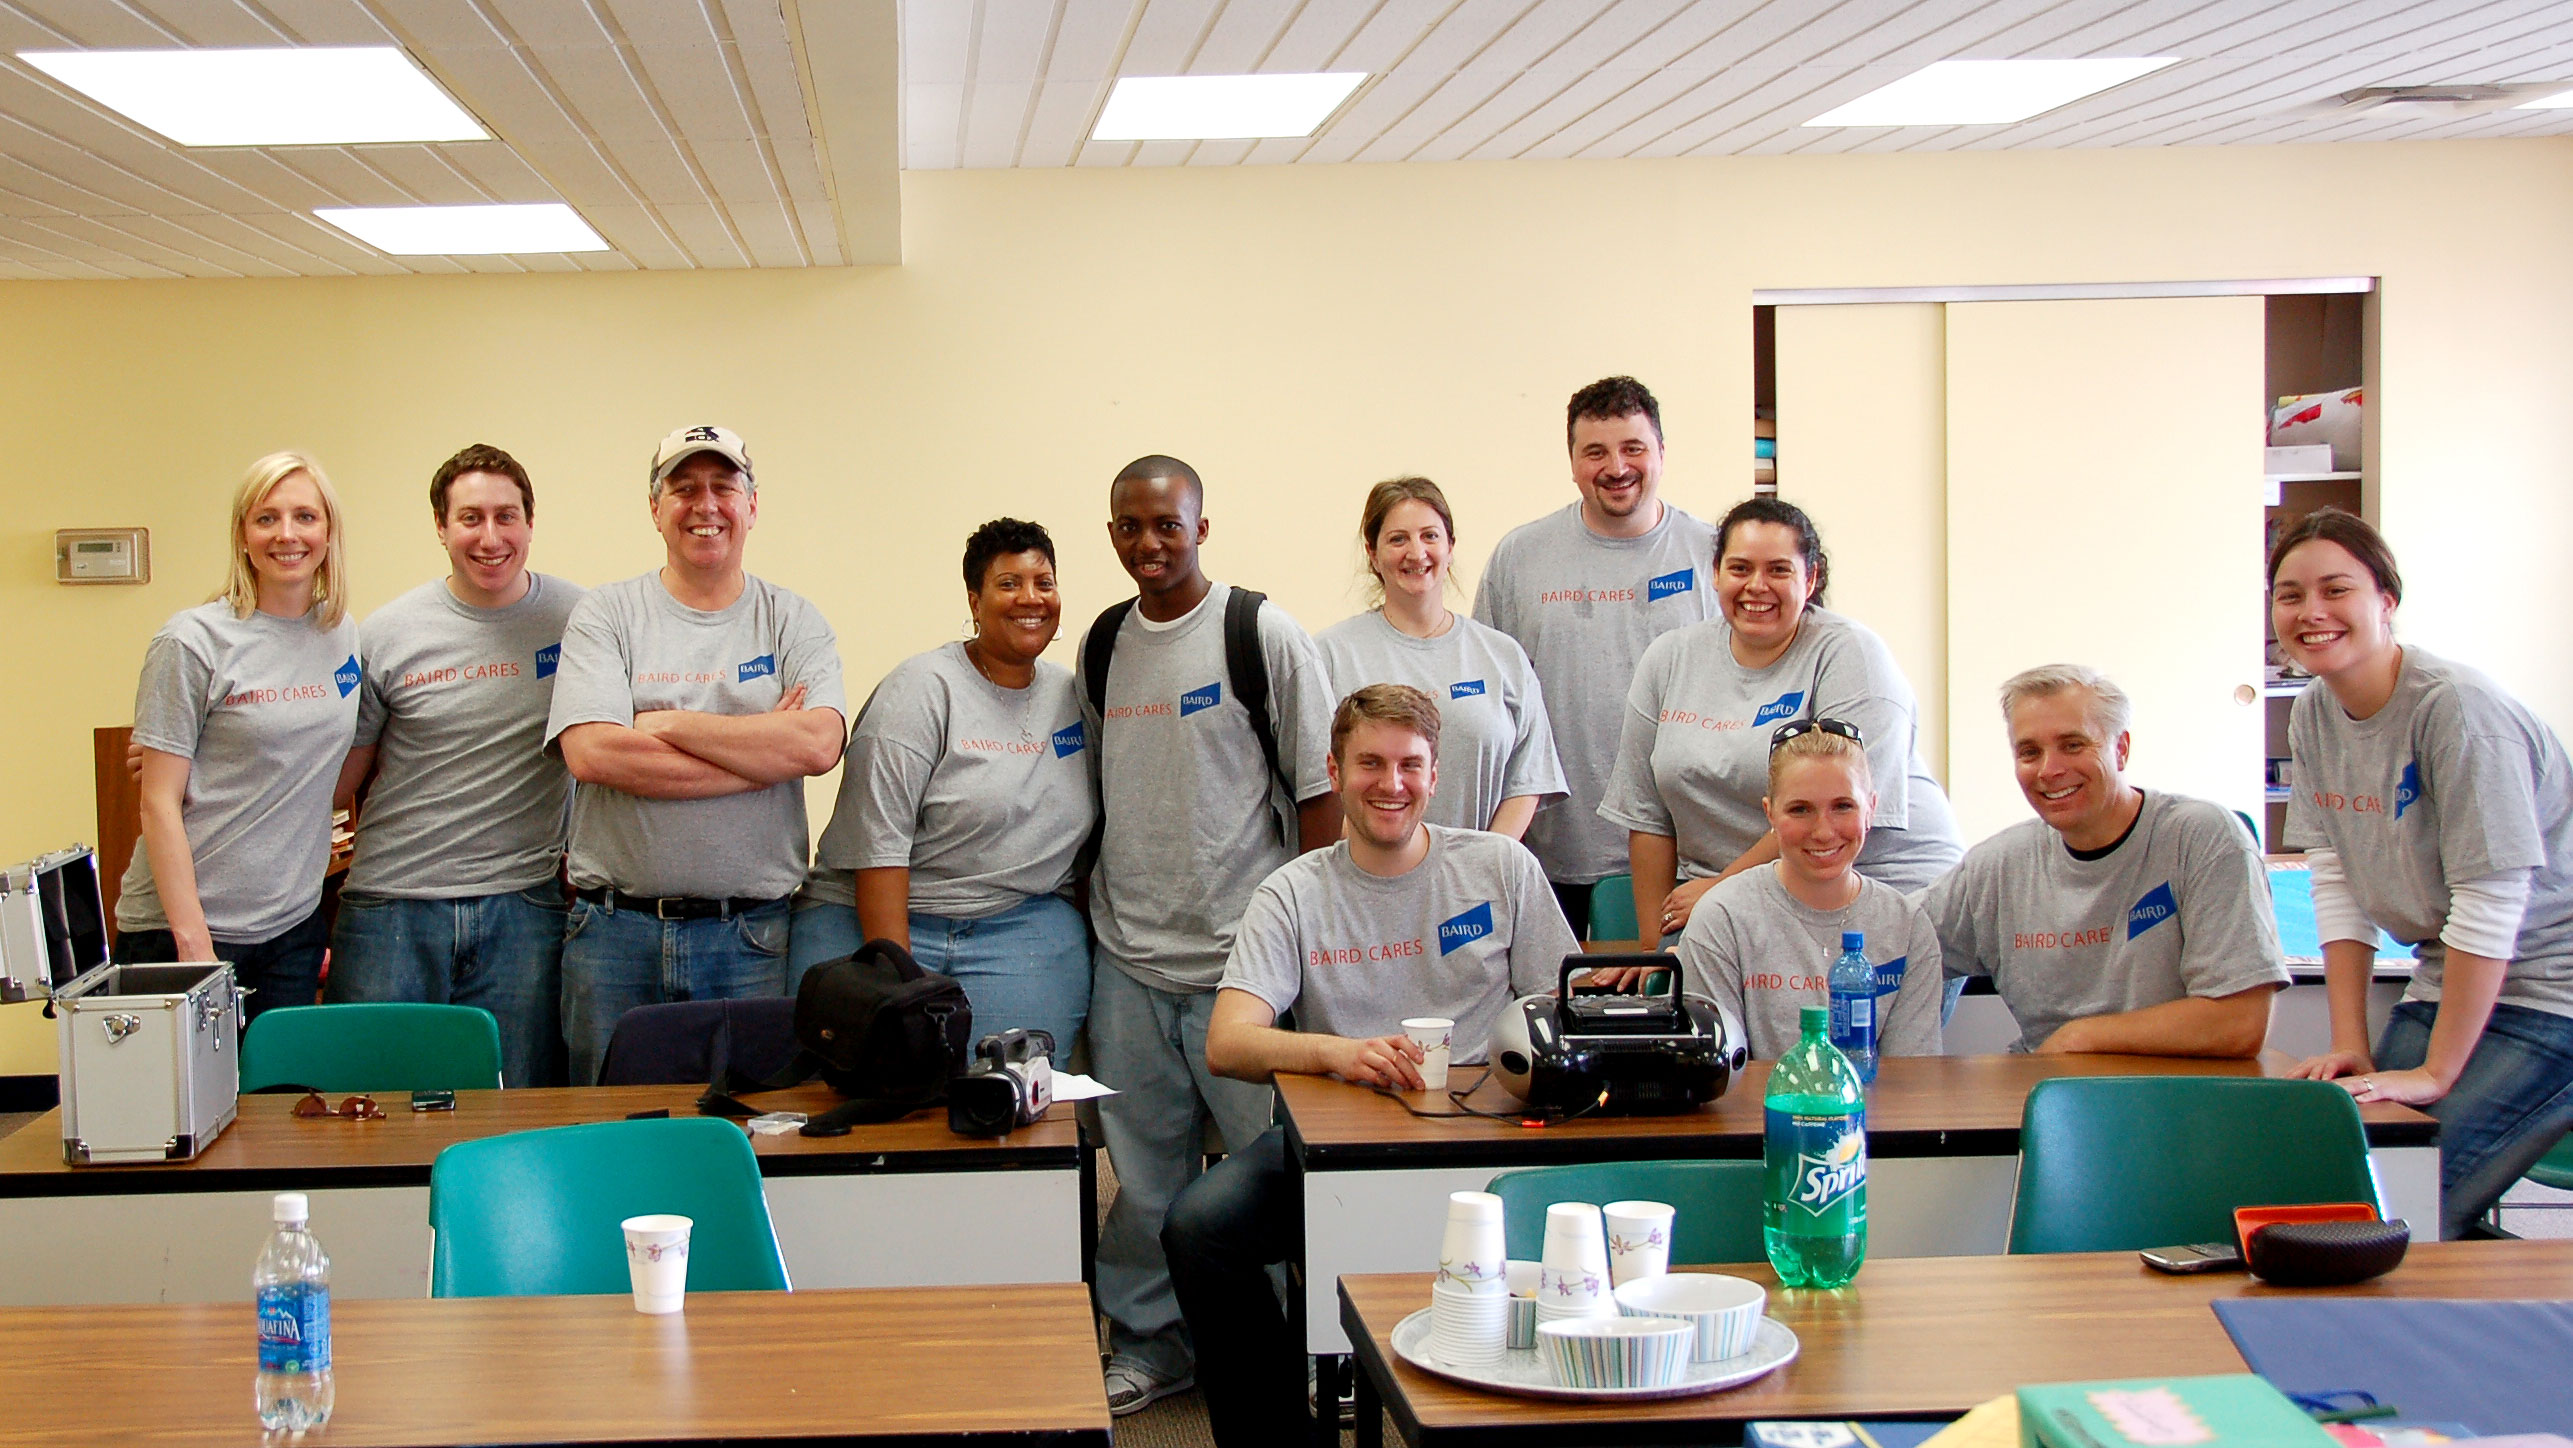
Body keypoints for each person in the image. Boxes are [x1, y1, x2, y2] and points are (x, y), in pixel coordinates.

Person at [1163, 685, 1577, 1447]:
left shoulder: (1499, 868)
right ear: (1334, 769)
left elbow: (1563, 1010)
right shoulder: (1294, 890)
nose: (1392, 784)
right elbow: (1229, 1040)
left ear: (1435, 772)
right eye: (1370, 764)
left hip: (1484, 1137)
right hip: (1337, 1145)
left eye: (1409, 765)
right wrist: (1341, 1055)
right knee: (1197, 1229)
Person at [1077, 454, 1337, 1416]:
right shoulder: (1103, 641)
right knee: (1142, 1176)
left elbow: (1318, 794)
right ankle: (1151, 1345)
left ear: (1201, 526)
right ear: (1112, 534)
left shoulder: (1256, 631)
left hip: (1244, 965)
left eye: (1168, 525)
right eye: (1130, 527)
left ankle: (1282, 1352)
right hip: (1130, 956)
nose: (1150, 544)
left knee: (1269, 1179)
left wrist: (1305, 940)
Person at [2274, 508, 2573, 1238]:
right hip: (2447, 980)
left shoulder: (2458, 711)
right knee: (2336, 1174)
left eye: (2335, 589)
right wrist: (2350, 1042)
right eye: (2288, 594)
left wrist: (2435, 1073)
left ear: (2385, 601)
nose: (2310, 611)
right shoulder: (2313, 711)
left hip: (2552, 994)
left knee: (2398, 1201)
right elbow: (2337, 882)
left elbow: (2490, 900)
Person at [544, 425, 846, 1086]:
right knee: (606, 1137)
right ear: (655, 510)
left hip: (750, 938)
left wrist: (666, 723)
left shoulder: (793, 621)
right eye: (683, 489)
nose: (704, 505)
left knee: (746, 1131)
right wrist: (759, 748)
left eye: (723, 487)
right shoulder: (606, 615)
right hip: (613, 937)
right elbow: (593, 754)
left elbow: (819, 744)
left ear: (752, 506)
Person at [325, 444, 586, 1087]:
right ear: (441, 527)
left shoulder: (581, 620)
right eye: (470, 518)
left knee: (515, 1108)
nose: (490, 537)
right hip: (393, 906)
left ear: (531, 522)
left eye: (507, 516)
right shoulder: (385, 634)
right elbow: (335, 778)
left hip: (524, 907)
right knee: (375, 1112)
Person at [790, 518, 1095, 1063]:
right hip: (875, 915)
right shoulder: (920, 692)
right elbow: (878, 848)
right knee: (874, 1092)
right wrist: (901, 989)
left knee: (1011, 1104)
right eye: (1008, 584)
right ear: (975, 601)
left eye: (1043, 583)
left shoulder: (1076, 697)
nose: (1030, 598)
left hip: (1017, 924)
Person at [1601, 497, 1961, 948]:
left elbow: (1835, 813)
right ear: (1715, 574)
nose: (1757, 586)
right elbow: (1647, 817)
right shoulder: (1668, 659)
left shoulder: (1852, 656)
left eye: (1778, 570)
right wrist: (1655, 954)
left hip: (1877, 885)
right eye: (1739, 568)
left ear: (1809, 579)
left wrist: (1720, 891)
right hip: (1743, 899)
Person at [1923, 664, 2286, 1056]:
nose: (2050, 770)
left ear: (2122, 748)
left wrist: (2079, 1038)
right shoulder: (1998, 866)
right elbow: (1888, 941)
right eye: (2030, 752)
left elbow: (2239, 1021)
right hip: (2049, 1099)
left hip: (2180, 1102)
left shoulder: (2202, 837)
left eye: (2073, 745)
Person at [113, 451, 360, 1025]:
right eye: (266, 518)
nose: (287, 534)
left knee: (278, 1111)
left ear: (329, 532)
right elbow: (157, 800)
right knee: (178, 1114)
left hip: (291, 929)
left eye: (305, 516)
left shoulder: (340, 635)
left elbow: (333, 749)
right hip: (183, 932)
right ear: (242, 534)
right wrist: (194, 946)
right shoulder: (192, 641)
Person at [1474, 376, 1718, 935]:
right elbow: (1493, 700)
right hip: (1553, 848)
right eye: (1596, 452)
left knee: (1668, 1011)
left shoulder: (1713, 555)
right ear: (1572, 461)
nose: (1616, 466)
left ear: (1661, 452)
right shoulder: (1521, 556)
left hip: (1686, 852)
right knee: (1560, 1009)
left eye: (1633, 448)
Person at [1674, 719, 1943, 1059]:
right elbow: (1721, 1073)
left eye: (1843, 806)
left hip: (1877, 1113)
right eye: (1800, 810)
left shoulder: (1908, 927)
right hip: (1760, 1112)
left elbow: (1911, 1082)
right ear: (1770, 814)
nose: (1823, 832)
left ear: (1871, 809)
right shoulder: (1721, 917)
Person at [1316, 477, 1565, 838]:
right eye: (1398, 539)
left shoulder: (1502, 656)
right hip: (1369, 880)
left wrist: (1481, 865)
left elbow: (1527, 780)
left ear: (1450, 547)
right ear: (1372, 552)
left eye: (1430, 536)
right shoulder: (1330, 655)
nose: (1416, 553)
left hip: (1478, 881)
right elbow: (1317, 787)